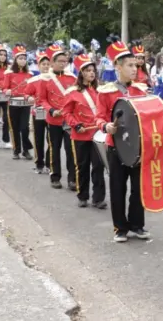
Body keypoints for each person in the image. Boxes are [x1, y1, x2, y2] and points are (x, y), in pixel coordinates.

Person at [95, 38, 150, 243]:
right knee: (118, 188)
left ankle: (137, 225)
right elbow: (99, 117)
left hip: (138, 147)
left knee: (139, 188)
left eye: (136, 65)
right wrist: (106, 126)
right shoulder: (106, 92)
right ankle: (120, 228)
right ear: (118, 67)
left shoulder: (141, 90)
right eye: (130, 65)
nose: (135, 69)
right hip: (116, 147)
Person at [62, 54, 106, 209]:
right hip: (80, 133)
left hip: (97, 133)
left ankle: (98, 198)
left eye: (93, 70)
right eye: (87, 70)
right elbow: (66, 113)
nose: (91, 73)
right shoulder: (72, 92)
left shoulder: (101, 90)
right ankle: (82, 196)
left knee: (99, 166)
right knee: (82, 165)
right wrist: (75, 124)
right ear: (81, 73)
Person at [38, 43, 77, 190]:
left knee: (70, 149)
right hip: (53, 119)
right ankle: (55, 177)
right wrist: (51, 110)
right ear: (52, 63)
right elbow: (42, 99)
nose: (62, 64)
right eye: (59, 61)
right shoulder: (45, 79)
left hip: (68, 120)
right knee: (54, 148)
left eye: (64, 62)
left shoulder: (72, 78)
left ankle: (72, 179)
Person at [3, 45, 34, 160]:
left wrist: (31, 97)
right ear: (15, 60)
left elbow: (32, 90)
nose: (22, 60)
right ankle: (16, 150)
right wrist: (7, 91)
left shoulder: (30, 74)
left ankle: (26, 150)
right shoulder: (9, 73)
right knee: (15, 128)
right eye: (20, 58)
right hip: (13, 104)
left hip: (25, 104)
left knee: (24, 127)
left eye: (24, 58)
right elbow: (4, 88)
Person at [25, 51, 51, 174]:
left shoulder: (54, 80)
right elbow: (26, 93)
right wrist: (28, 98)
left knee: (52, 140)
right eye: (43, 64)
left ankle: (49, 162)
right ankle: (39, 163)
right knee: (38, 139)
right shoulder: (33, 80)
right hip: (38, 113)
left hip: (52, 114)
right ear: (38, 66)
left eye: (48, 64)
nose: (46, 66)